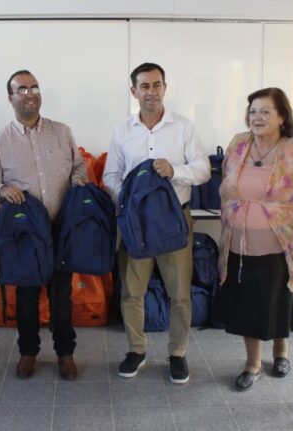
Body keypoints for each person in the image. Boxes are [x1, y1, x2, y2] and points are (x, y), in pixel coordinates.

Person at [103, 62, 210, 384]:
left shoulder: (184, 127)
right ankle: (136, 349)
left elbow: (203, 170)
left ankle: (177, 354)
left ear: (165, 88)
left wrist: (174, 170)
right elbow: (110, 176)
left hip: (175, 222)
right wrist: (133, 198)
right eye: (144, 86)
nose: (152, 92)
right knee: (132, 291)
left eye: (157, 85)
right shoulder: (122, 130)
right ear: (133, 91)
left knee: (179, 294)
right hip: (136, 225)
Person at [217, 87, 293, 391]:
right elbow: (227, 184)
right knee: (248, 306)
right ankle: (253, 364)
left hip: (282, 245)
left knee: (280, 302)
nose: (257, 117)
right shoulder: (239, 144)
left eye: (265, 111)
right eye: (253, 111)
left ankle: (281, 351)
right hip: (239, 243)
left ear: (281, 116)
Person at [0, 70, 88, 381]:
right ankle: (28, 352)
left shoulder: (62, 132)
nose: (31, 94)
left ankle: (65, 353)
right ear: (10, 98)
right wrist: (1, 190)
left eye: (35, 87)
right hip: (26, 235)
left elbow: (79, 168)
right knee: (27, 298)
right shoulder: (0, 140)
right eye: (23, 89)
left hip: (60, 229)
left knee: (61, 297)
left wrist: (79, 180)